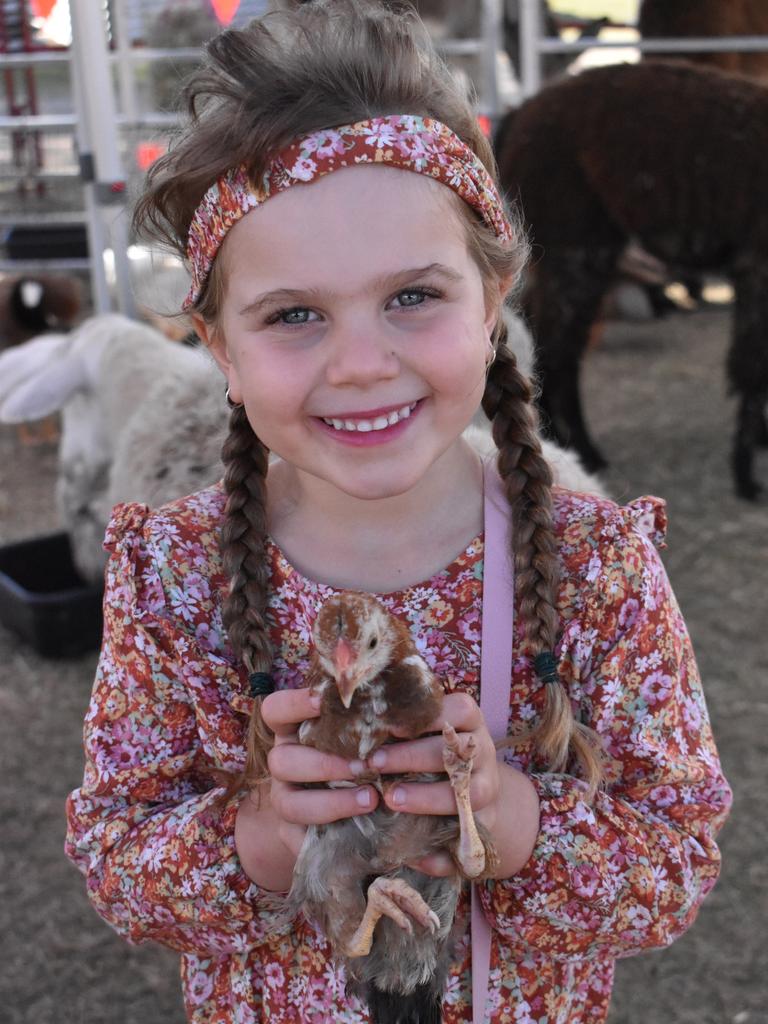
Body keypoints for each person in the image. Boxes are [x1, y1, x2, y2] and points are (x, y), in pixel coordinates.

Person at [65, 3, 732, 1022]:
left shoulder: (595, 565)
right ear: (218, 347)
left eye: (413, 295)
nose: (363, 361)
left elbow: (677, 856)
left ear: (494, 290)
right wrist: (267, 839)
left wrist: (516, 822)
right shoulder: (176, 576)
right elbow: (119, 856)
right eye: (293, 314)